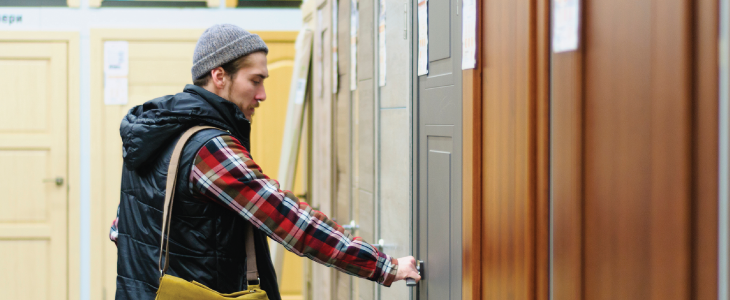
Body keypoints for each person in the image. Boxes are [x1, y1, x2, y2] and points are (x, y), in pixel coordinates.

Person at [109, 24, 421, 300]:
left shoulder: (157, 132)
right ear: (219, 76)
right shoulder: (209, 147)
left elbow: (122, 228)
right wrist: (384, 266)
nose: (263, 94)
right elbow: (289, 220)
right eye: (255, 80)